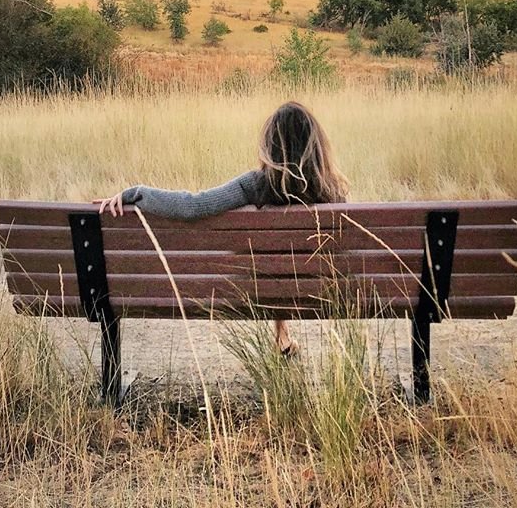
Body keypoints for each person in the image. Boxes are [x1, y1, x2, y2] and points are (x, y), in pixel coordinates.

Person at [96, 101, 349, 356]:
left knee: (270, 257)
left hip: (260, 288)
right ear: (317, 147)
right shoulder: (333, 191)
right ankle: (283, 336)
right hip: (319, 289)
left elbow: (191, 207)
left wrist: (137, 193)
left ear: (270, 146)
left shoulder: (255, 185)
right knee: (282, 257)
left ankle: (281, 335)